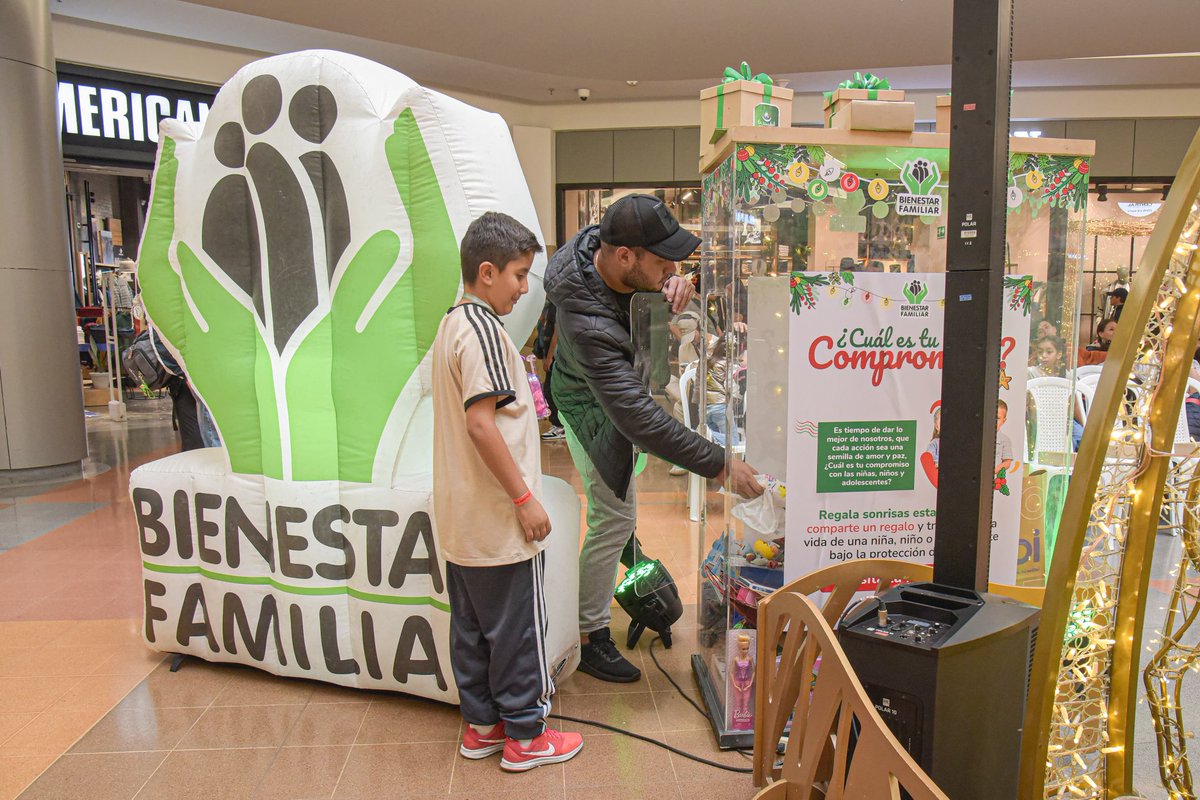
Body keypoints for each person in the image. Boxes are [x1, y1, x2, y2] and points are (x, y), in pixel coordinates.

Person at [545, 193, 764, 682]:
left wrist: (671, 287)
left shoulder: (597, 250)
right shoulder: (587, 324)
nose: (673, 267)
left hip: (611, 399)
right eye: (663, 260)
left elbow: (642, 305)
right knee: (612, 517)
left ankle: (616, 578)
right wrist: (721, 464)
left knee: (620, 510)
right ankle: (590, 634)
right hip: (589, 410)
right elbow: (637, 417)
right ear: (625, 255)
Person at [431, 212, 583, 772]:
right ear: (487, 272)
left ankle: (483, 727)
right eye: (520, 275)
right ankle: (525, 736)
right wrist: (525, 498)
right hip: (498, 521)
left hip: (462, 519)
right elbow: (481, 424)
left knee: (472, 630)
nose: (524, 288)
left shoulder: (452, 325)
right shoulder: (484, 331)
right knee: (518, 631)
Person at [532, 300, 564, 441]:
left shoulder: (559, 303)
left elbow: (558, 331)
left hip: (556, 356)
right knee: (548, 389)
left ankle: (560, 426)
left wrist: (550, 356)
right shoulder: (549, 302)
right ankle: (558, 424)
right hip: (549, 353)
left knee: (551, 390)